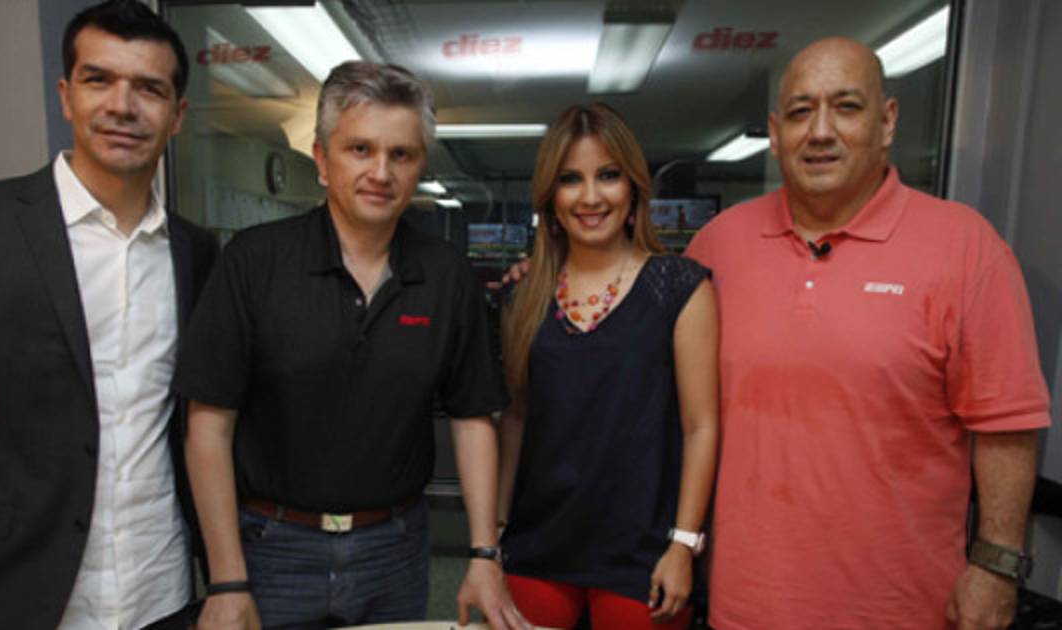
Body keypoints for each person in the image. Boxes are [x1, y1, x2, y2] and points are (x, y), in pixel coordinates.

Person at [0, 2, 219, 629]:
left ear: (177, 116)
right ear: (66, 96)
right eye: (98, 79)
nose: (122, 106)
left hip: (162, 593)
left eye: (148, 89)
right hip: (15, 600)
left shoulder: (194, 251)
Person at [684, 37, 1051, 630]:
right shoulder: (717, 245)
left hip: (902, 608)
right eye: (800, 112)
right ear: (775, 133)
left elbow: (1007, 424)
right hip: (743, 605)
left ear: (887, 123)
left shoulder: (967, 249)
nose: (820, 132)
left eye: (847, 107)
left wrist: (996, 567)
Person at [175, 61, 529, 630]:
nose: (380, 172)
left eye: (401, 154)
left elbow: (472, 421)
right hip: (273, 550)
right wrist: (226, 579)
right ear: (322, 159)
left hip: (395, 550)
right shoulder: (253, 262)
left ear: (419, 166)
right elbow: (208, 427)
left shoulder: (445, 275)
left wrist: (485, 554)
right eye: (360, 149)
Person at [496, 103, 719, 629]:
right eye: (570, 179)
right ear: (550, 197)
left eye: (609, 175)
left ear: (634, 189)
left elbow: (701, 426)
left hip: (643, 555)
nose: (591, 197)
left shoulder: (680, 287)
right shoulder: (522, 296)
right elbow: (517, 418)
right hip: (538, 546)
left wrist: (683, 544)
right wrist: (497, 531)